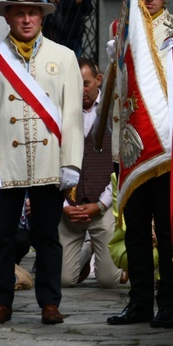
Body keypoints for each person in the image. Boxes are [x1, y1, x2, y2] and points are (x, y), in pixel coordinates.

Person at [0, 0, 83, 325]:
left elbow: (73, 115)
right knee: (0, 236)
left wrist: (71, 162)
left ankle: (49, 302)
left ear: (42, 17)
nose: (26, 19)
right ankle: (1, 300)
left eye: (32, 13)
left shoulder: (64, 56)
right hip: (6, 163)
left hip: (50, 163)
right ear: (8, 18)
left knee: (48, 236)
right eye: (19, 13)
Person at [106, 0, 173, 329]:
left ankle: (168, 305)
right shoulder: (121, 30)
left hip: (167, 149)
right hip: (132, 148)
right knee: (135, 230)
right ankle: (139, 302)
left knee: (167, 233)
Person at [59, 57, 128, 289]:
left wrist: (101, 204)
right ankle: (85, 256)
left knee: (109, 280)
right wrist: (64, 206)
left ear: (98, 80)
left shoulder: (115, 112)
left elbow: (120, 167)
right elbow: (50, 163)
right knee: (63, 280)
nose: (80, 90)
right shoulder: (60, 113)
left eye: (85, 83)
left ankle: (94, 250)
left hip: (102, 206)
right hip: (70, 207)